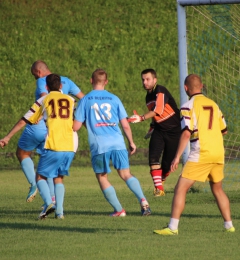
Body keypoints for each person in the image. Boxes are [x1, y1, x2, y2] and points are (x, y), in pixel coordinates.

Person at [153, 74, 235, 235]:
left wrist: (176, 157)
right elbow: (224, 130)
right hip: (218, 152)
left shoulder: (187, 106)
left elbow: (185, 133)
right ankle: (229, 225)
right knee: (217, 189)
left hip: (201, 152)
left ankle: (172, 228)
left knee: (180, 189)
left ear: (185, 88)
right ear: (202, 86)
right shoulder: (214, 105)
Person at [73, 68, 151, 217]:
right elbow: (125, 124)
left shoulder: (85, 100)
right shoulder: (114, 98)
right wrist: (132, 142)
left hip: (99, 145)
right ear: (106, 82)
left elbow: (75, 127)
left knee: (102, 177)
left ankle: (119, 210)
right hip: (118, 142)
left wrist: (80, 119)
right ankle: (144, 201)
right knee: (126, 174)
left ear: (91, 81)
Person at [4, 60, 84, 204]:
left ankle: (34, 184)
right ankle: (53, 201)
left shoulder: (42, 81)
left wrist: (8, 136)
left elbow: (44, 98)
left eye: (34, 74)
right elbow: (84, 99)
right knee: (50, 169)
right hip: (57, 132)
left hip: (39, 124)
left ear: (39, 72)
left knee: (22, 153)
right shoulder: (67, 81)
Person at [128, 68, 181, 197]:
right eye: (143, 79)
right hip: (159, 130)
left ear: (155, 80)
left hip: (174, 131)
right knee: (153, 157)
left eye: (148, 79)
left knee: (167, 165)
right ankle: (159, 189)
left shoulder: (160, 91)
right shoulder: (148, 96)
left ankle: (161, 180)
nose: (145, 82)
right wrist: (152, 127)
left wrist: (141, 118)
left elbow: (158, 111)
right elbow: (155, 116)